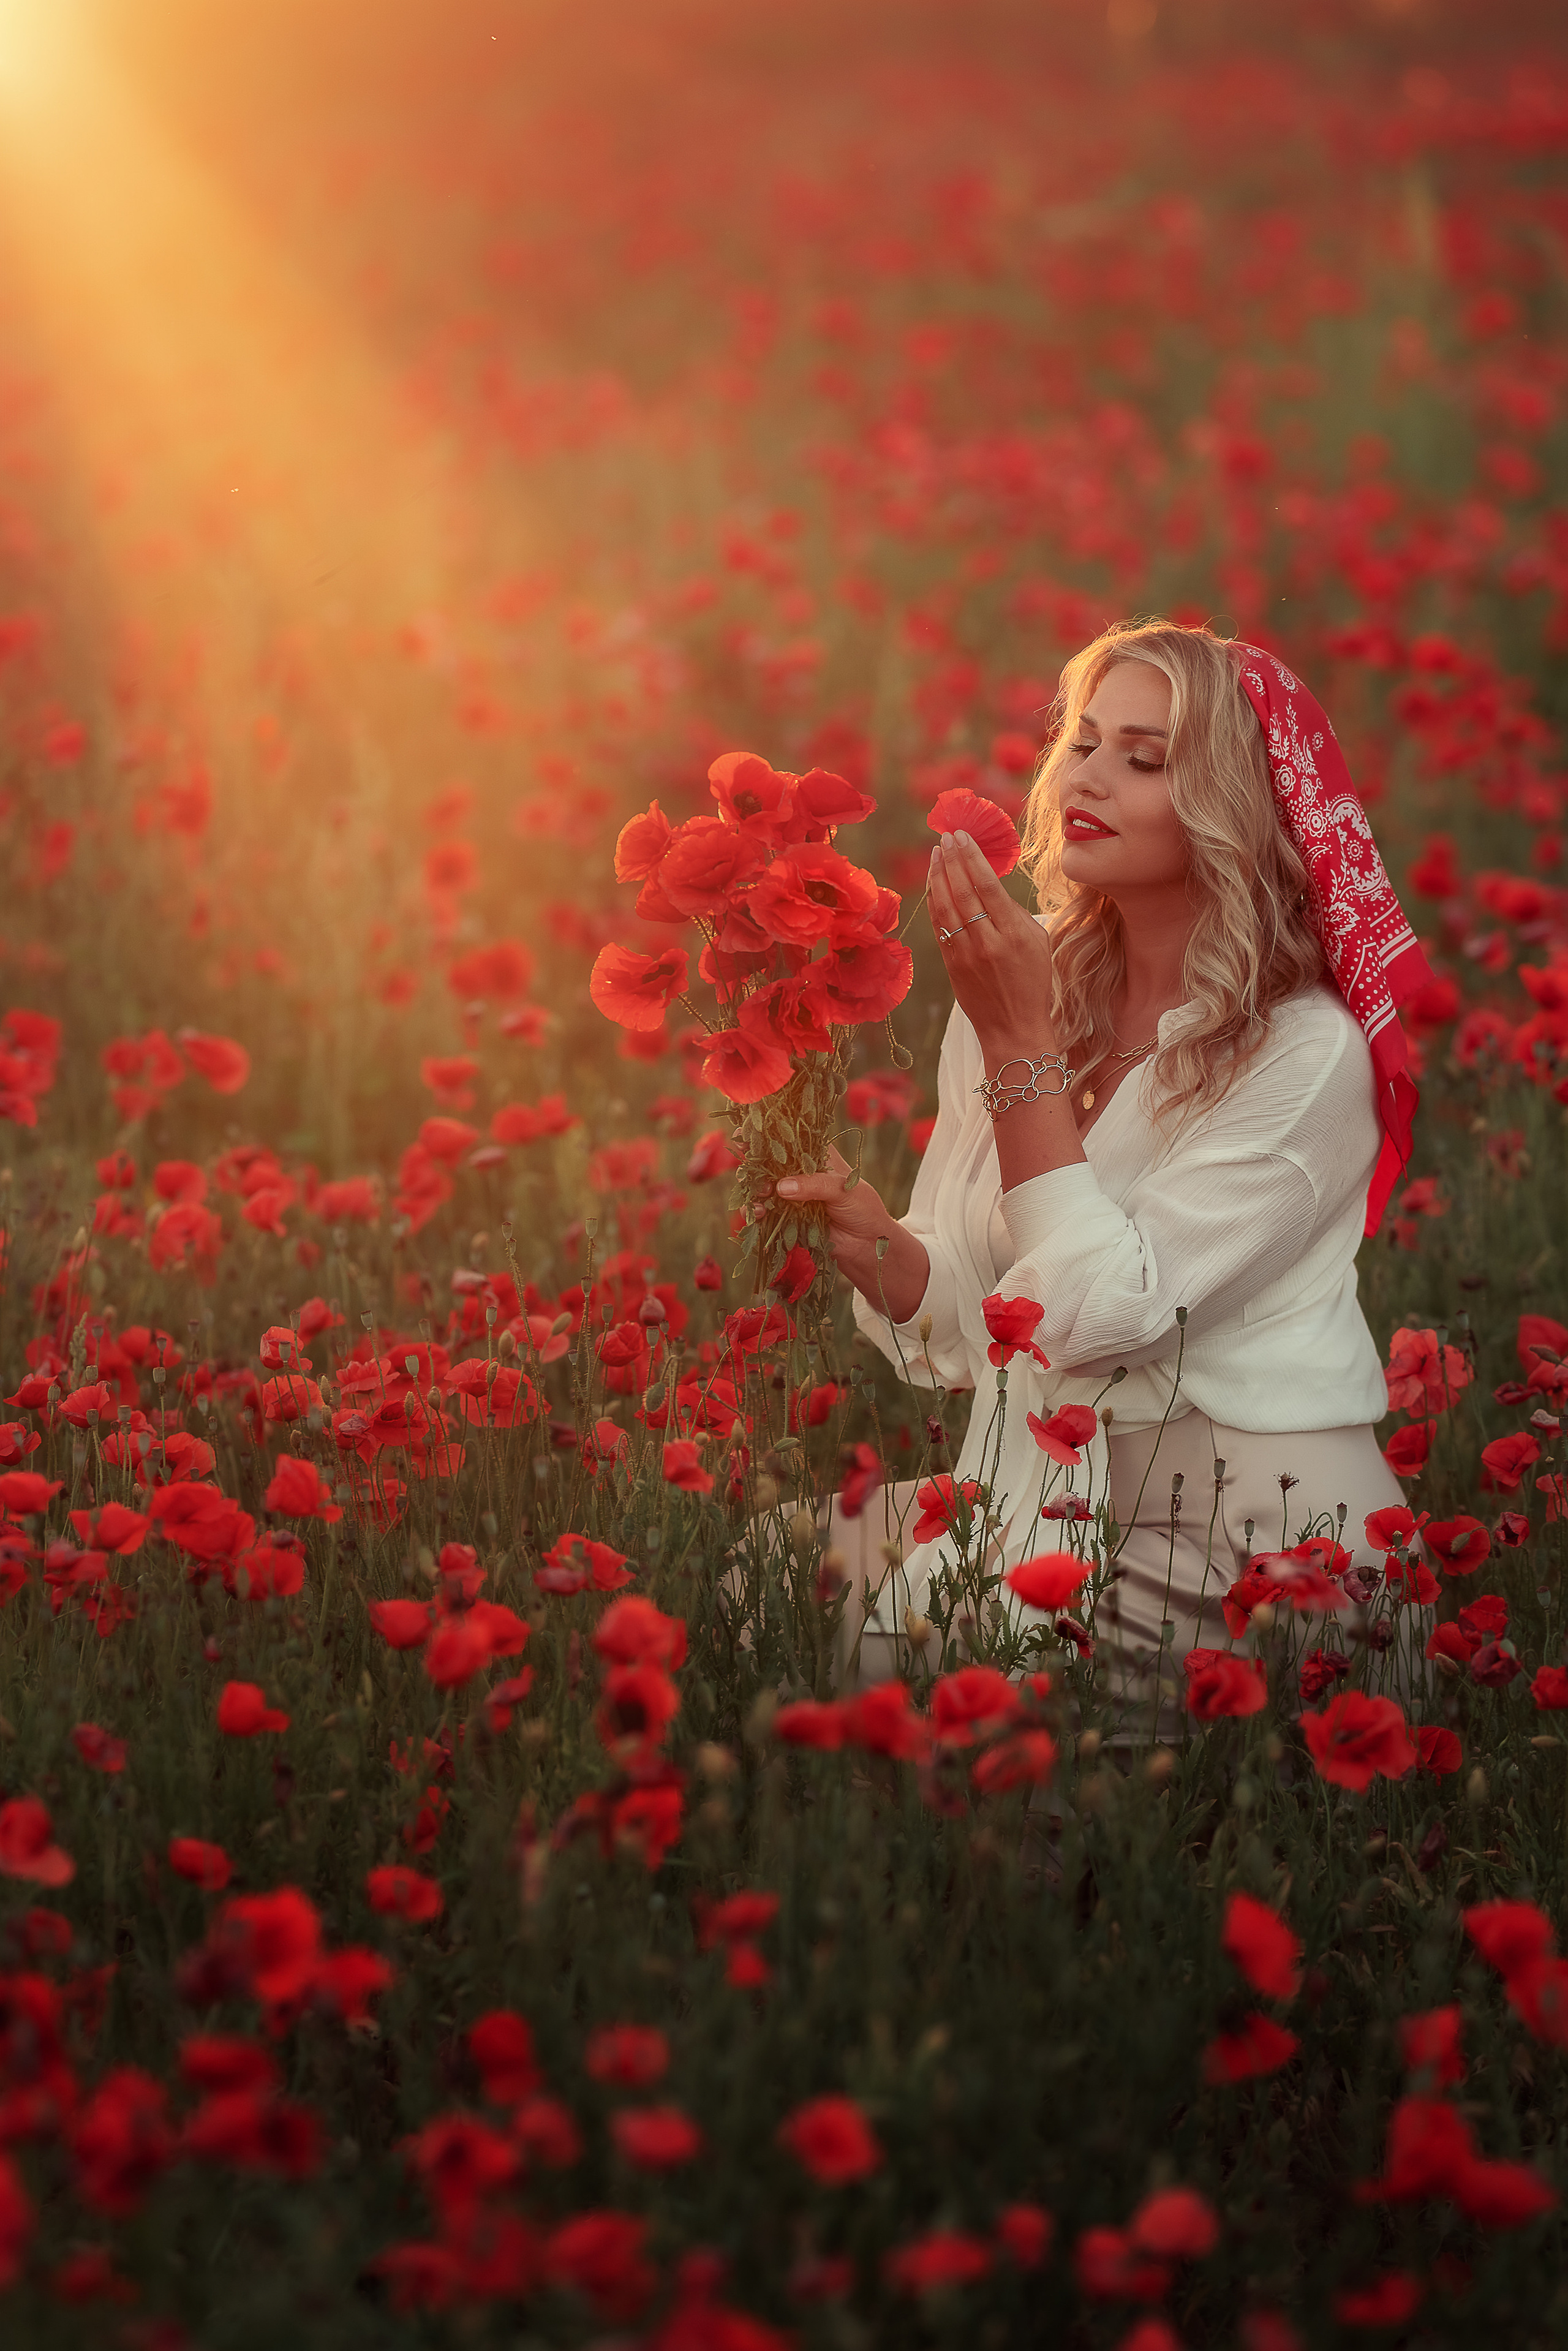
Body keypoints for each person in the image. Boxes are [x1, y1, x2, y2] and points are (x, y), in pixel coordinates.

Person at [766, 620, 1431, 1726]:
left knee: (920, 1716)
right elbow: (991, 1327)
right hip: (1044, 1502)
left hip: (1249, 1546)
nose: (1088, 775)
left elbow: (1096, 1318)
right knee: (755, 1597)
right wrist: (881, 1248)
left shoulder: (1305, 1054)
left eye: (1145, 757)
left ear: (1230, 805)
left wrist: (1023, 1046)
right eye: (1082, 741)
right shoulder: (1024, 992)